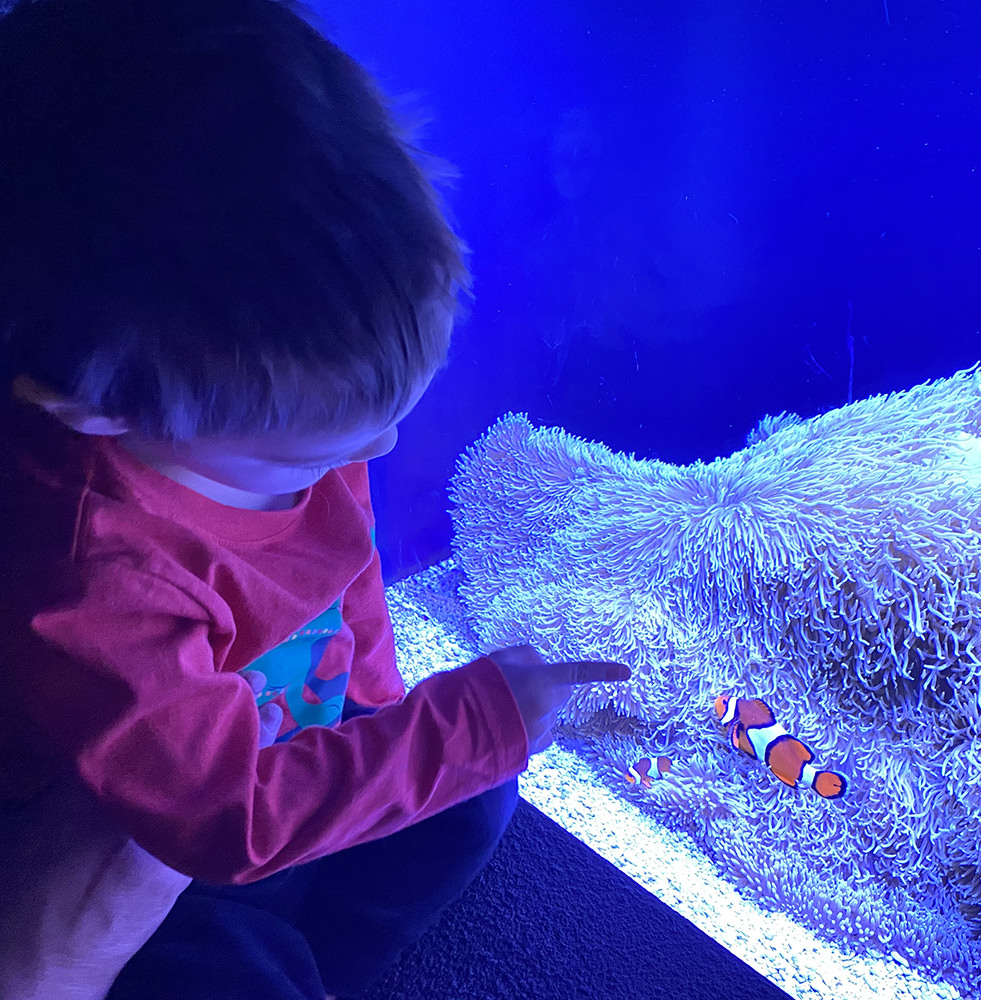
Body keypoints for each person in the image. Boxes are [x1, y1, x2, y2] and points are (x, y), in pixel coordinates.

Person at [0, 2, 631, 999]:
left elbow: (342, 571)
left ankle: (326, 961)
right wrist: (452, 728)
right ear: (92, 411)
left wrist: (382, 707)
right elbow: (217, 818)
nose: (372, 456)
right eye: (321, 452)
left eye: (374, 428)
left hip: (275, 748)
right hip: (152, 832)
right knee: (223, 965)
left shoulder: (260, 418)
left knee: (474, 794)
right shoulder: (96, 572)